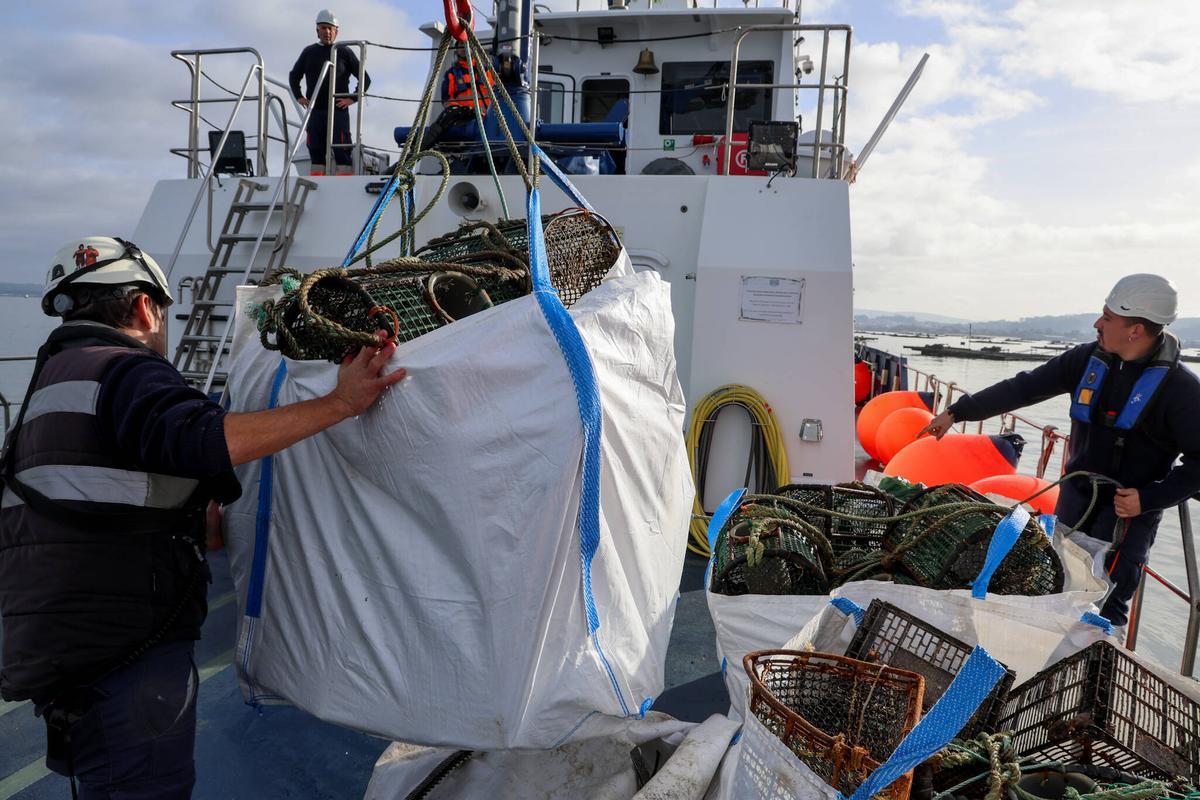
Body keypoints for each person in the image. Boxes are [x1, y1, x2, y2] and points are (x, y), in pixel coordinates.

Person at [0, 236, 406, 798]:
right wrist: (341, 403)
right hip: (124, 657)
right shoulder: (126, 370)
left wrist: (188, 523)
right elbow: (203, 438)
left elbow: (92, 492)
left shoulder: (53, 386)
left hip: (61, 645)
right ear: (146, 306)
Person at [921, 274, 1200, 627]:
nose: (1098, 324)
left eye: (1108, 318)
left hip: (1126, 516)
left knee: (1106, 607)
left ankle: (1096, 673)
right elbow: (1024, 388)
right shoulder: (1085, 360)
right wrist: (958, 412)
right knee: (1056, 584)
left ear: (1136, 330)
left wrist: (1151, 498)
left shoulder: (1182, 391)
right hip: (1075, 501)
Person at [289, 9, 371, 175]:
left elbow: (365, 79)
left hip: (338, 111)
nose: (327, 32)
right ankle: (316, 185)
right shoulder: (308, 52)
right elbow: (294, 76)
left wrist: (352, 98)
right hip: (315, 111)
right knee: (315, 150)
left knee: (342, 150)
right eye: (323, 28)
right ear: (317, 30)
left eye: (330, 28)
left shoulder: (344, 52)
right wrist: (299, 96)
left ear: (336, 32)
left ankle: (344, 185)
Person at [423, 42, 495, 149]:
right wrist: (465, 110)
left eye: (465, 45)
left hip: (487, 120)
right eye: (460, 46)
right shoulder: (451, 74)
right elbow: (447, 101)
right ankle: (423, 146)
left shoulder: (486, 71)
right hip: (464, 120)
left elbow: (496, 94)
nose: (463, 48)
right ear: (456, 51)